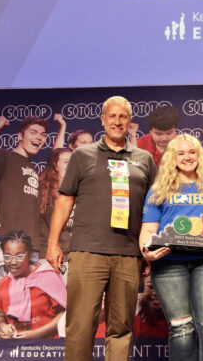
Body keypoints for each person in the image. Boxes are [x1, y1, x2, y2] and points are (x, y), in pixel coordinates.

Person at [46, 96, 156, 361]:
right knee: (80, 327)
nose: (118, 122)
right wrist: (52, 243)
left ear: (130, 122)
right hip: (87, 252)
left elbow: (152, 209)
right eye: (112, 116)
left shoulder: (145, 159)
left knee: (121, 329)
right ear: (103, 120)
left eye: (123, 117)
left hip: (129, 255)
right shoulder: (82, 155)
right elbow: (65, 200)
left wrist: (147, 249)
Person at [139, 133, 203, 360]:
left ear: (200, 156)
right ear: (172, 158)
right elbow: (148, 230)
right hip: (168, 265)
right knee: (181, 329)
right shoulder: (158, 190)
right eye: (181, 153)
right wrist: (147, 252)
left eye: (192, 152)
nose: (187, 157)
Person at [0, 116, 48, 249]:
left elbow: (57, 160)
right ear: (20, 136)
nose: (39, 137)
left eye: (43, 134)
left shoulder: (32, 169)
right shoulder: (6, 156)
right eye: (33, 132)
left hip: (31, 246)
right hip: (5, 242)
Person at [0, 230, 66, 338]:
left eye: (19, 256)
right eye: (7, 257)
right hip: (16, 347)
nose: (13, 262)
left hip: (48, 345)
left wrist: (35, 334)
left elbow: (64, 314)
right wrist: (3, 326)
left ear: (30, 254)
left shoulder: (47, 277)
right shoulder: (3, 283)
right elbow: (0, 315)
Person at [37, 148, 72, 265]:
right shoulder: (43, 190)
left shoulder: (78, 190)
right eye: (66, 162)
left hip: (73, 256)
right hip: (50, 255)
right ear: (55, 166)